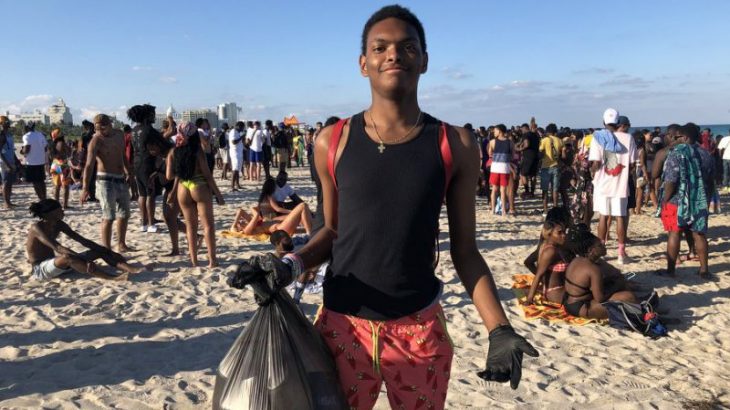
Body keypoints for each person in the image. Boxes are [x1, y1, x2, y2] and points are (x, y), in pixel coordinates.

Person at [243, 6, 536, 409]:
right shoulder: (333, 141)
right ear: (364, 64)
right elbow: (330, 230)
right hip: (342, 327)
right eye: (380, 48)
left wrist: (498, 328)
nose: (393, 55)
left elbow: (465, 250)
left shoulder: (455, 144)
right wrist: (288, 265)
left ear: (425, 60)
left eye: (407, 47)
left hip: (419, 329)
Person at [26, 199, 142, 281]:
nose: (63, 212)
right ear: (49, 214)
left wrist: (107, 251)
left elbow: (83, 240)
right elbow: (58, 247)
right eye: (59, 210)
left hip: (57, 265)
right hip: (40, 270)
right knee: (67, 256)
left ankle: (130, 269)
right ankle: (113, 278)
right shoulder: (36, 228)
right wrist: (83, 260)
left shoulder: (58, 224)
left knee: (100, 250)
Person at [659, 123, 715, 279]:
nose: (675, 140)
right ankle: (704, 270)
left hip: (678, 199)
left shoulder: (676, 153)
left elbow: (671, 180)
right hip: (699, 199)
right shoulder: (706, 154)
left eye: (677, 137)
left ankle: (671, 270)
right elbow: (711, 180)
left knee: (674, 233)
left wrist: (665, 199)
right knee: (699, 234)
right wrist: (707, 198)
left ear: (685, 137)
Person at [166, 121, 225, 268]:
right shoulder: (197, 150)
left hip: (182, 187)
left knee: (190, 227)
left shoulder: (173, 151)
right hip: (199, 185)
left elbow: (169, 176)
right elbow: (207, 175)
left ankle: (194, 261)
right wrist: (218, 194)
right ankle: (212, 261)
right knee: (208, 226)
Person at [81, 114, 134, 252]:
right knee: (109, 216)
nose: (100, 130)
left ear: (110, 124)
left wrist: (130, 173)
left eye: (103, 126)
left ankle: (121, 244)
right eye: (98, 127)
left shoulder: (119, 135)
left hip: (120, 178)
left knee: (124, 213)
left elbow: (123, 156)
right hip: (105, 180)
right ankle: (106, 249)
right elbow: (89, 165)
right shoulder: (96, 141)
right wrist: (85, 188)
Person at [589, 109, 636, 264]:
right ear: (618, 123)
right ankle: (621, 254)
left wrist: (593, 172)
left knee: (603, 216)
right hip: (620, 184)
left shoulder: (598, 137)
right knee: (620, 217)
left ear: (603, 122)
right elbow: (632, 163)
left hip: (603, 184)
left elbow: (595, 163)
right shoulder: (628, 138)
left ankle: (601, 251)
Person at [562, 225, 638, 319]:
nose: (603, 245)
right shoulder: (593, 269)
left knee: (622, 288)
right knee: (628, 297)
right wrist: (617, 285)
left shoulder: (577, 260)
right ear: (591, 250)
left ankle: (639, 305)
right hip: (581, 307)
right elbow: (600, 298)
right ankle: (643, 310)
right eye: (599, 245)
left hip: (569, 303)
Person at [128, 104, 159, 232]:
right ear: (147, 115)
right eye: (153, 114)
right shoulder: (149, 130)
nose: (154, 117)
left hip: (137, 163)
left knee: (142, 194)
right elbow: (160, 144)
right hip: (148, 163)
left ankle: (144, 223)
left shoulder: (134, 130)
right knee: (150, 194)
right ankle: (151, 223)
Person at [524, 220, 569, 305]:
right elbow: (539, 274)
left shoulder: (549, 246)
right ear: (549, 235)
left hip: (558, 289)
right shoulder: (550, 251)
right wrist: (530, 299)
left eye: (564, 232)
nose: (564, 235)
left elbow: (529, 263)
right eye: (559, 233)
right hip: (555, 292)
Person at [487, 124, 514, 215]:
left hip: (495, 167)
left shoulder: (492, 142)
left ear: (500, 131)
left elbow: (490, 153)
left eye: (495, 130)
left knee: (494, 189)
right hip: (505, 168)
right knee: (503, 190)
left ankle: (493, 210)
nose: (494, 132)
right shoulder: (510, 142)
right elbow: (513, 156)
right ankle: (503, 211)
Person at [539, 123, 562, 216]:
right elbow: (562, 154)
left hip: (545, 167)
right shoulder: (559, 141)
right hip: (556, 166)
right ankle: (555, 209)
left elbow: (540, 153)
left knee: (545, 190)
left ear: (547, 131)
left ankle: (545, 210)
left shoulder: (544, 140)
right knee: (555, 189)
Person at [20, 122, 48, 201]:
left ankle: (41, 199)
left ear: (27, 127)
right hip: (41, 162)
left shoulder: (26, 136)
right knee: (41, 181)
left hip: (31, 163)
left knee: (35, 182)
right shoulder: (40, 134)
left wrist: (22, 151)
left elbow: (27, 149)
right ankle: (44, 198)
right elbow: (45, 148)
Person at [49, 129, 72, 209]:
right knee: (65, 186)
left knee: (57, 186)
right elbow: (68, 153)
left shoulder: (53, 144)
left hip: (55, 164)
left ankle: (56, 204)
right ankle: (65, 205)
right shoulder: (62, 143)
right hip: (63, 165)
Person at [517, 123, 539, 199]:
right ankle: (532, 192)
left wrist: (519, 149)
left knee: (523, 174)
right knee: (533, 175)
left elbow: (526, 144)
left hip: (528, 157)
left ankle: (527, 191)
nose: (521, 131)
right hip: (535, 156)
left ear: (524, 128)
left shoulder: (526, 135)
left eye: (522, 130)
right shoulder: (536, 135)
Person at [0, 116, 17, 209]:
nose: (8, 123)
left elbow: (11, 150)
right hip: (4, 162)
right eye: (6, 122)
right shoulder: (1, 135)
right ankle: (6, 203)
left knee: (10, 182)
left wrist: (16, 161)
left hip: (10, 160)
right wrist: (7, 164)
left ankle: (9, 202)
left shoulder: (9, 134)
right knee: (5, 182)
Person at [228, 121, 245, 191]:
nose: (243, 129)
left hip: (239, 153)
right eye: (242, 127)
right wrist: (241, 137)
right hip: (235, 153)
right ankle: (232, 186)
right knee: (235, 169)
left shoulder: (237, 132)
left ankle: (237, 185)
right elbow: (233, 142)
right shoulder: (233, 132)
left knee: (237, 169)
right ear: (239, 126)